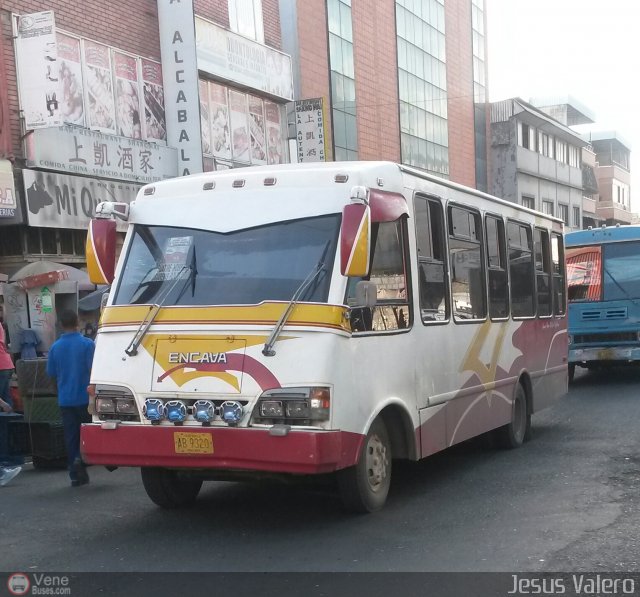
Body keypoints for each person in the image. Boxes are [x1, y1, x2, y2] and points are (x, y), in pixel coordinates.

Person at [46, 310, 95, 487]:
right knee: (90, 433)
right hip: (85, 397)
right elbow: (94, 371)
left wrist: (58, 391)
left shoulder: (55, 347)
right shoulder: (87, 344)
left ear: (60, 325)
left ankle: (75, 473)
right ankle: (85, 459)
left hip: (65, 399)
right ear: (78, 322)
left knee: (71, 436)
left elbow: (51, 374)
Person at [0, 313, 14, 410]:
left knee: (3, 400)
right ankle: (9, 422)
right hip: (6, 364)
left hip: (1, 366)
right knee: (6, 397)